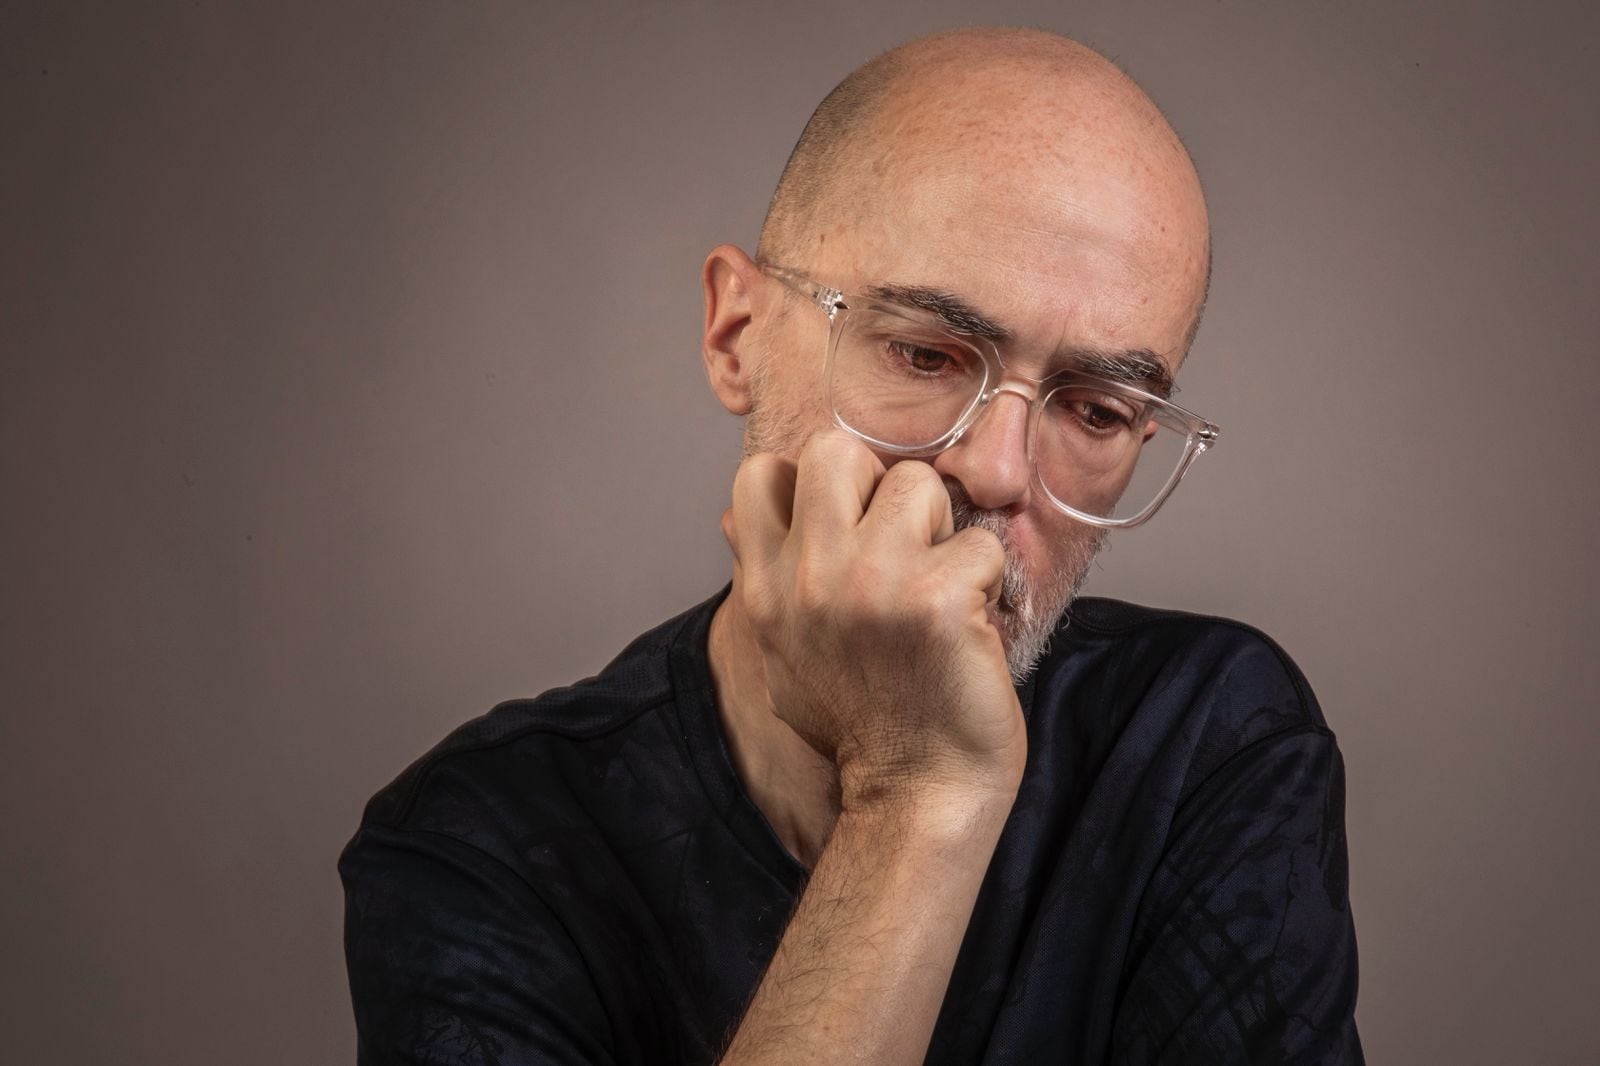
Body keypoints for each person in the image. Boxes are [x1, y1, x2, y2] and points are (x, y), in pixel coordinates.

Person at [340, 26, 1362, 1065]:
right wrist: (917, 792)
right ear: (736, 335)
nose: (998, 472)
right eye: (924, 354)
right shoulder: (479, 845)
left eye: (1095, 410)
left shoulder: (1207, 740)